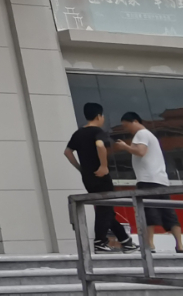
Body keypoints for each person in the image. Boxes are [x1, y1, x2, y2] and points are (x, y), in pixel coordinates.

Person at [63, 102, 135, 252]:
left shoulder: (78, 133)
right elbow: (100, 145)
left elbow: (67, 152)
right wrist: (103, 166)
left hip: (88, 178)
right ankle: (100, 242)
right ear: (98, 116)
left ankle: (125, 241)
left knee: (106, 209)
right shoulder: (98, 131)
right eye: (102, 116)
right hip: (101, 177)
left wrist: (80, 168)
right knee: (105, 209)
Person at [113, 111, 183, 253]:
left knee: (148, 212)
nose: (126, 129)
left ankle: (150, 245)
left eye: (126, 125)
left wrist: (125, 147)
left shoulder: (141, 134)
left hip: (147, 180)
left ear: (135, 121)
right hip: (161, 180)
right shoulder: (150, 135)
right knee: (169, 213)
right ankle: (180, 245)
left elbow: (140, 151)